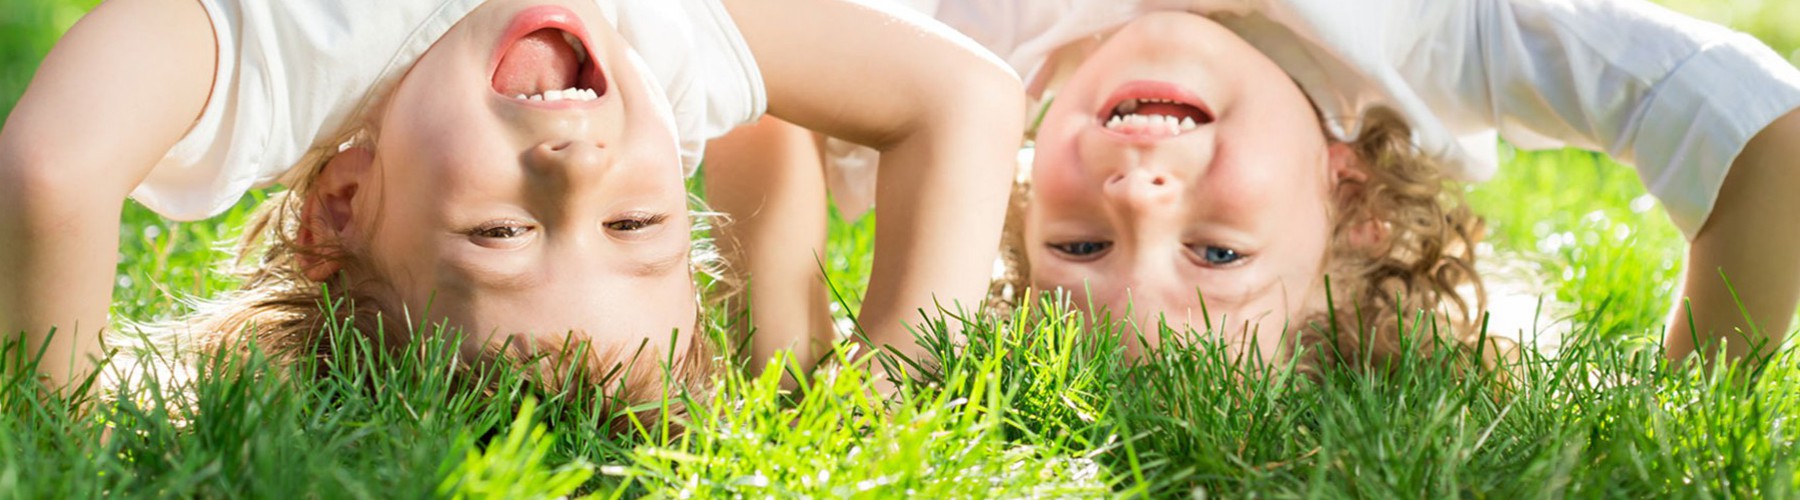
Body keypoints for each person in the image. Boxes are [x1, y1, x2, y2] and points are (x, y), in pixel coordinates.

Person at [0, 0, 1024, 397]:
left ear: (343, 205)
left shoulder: (291, 60)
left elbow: (51, 172)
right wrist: (887, 388)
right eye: (636, 223)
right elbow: (967, 98)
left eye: (500, 233)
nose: (576, 165)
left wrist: (60, 414)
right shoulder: (658, 49)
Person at [712, 0, 1800, 368]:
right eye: (1216, 253)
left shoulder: (960, 46)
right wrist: (1700, 381)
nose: (1137, 199)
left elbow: (749, 79)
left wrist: (786, 345)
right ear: (1352, 194)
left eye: (1077, 247)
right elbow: (1765, 121)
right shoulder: (1441, 37)